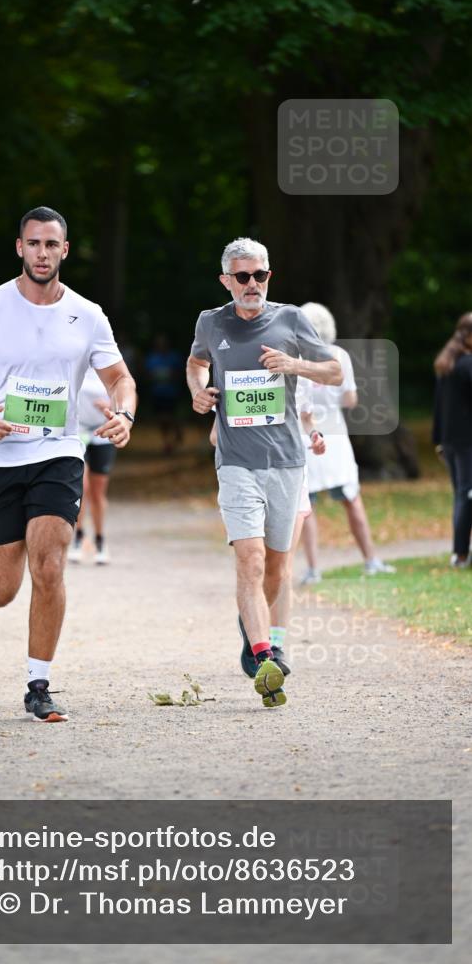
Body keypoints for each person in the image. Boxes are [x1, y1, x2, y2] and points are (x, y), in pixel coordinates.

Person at [0, 206, 137, 722]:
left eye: (52, 244)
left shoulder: (88, 314)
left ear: (64, 250)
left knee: (49, 564)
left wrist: (125, 412)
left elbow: (120, 377)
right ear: (19, 248)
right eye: (34, 243)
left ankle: (38, 683)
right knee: (3, 591)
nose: (42, 253)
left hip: (59, 451)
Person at [187, 237, 342, 708]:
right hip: (236, 461)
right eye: (242, 276)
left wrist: (293, 363)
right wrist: (198, 390)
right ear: (226, 280)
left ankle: (259, 632)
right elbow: (196, 363)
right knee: (250, 560)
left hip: (287, 463)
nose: (252, 284)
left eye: (260, 275)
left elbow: (334, 372)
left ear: (269, 276)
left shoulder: (291, 318)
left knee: (276, 567)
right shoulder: (211, 322)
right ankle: (263, 654)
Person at [212, 384, 327, 679]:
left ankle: (273, 642)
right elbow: (215, 434)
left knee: (282, 566)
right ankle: (260, 639)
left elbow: (307, 419)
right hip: (248, 473)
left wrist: (314, 436)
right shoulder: (242, 374)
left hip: (293, 476)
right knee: (253, 562)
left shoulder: (299, 375)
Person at [296, 303, 396, 584]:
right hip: (335, 437)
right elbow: (351, 399)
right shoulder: (338, 356)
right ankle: (370, 559)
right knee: (352, 499)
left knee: (307, 506)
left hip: (307, 436)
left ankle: (313, 569)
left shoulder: (296, 359)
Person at [433, 311, 472, 568]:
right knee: (467, 495)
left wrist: (438, 439)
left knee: (462, 494)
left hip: (450, 441)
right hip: (467, 441)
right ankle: (460, 554)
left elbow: (439, 407)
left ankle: (459, 552)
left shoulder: (447, 362)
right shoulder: (467, 365)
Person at [69, 367, 117, 565]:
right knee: (80, 488)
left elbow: (129, 394)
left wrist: (112, 407)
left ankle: (100, 539)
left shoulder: (108, 362)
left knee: (97, 493)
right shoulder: (74, 360)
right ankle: (78, 538)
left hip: (103, 433)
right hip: (77, 431)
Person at [145, 333, 184, 454]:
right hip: (157, 393)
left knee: (168, 417)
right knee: (161, 420)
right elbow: (147, 375)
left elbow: (179, 373)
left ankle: (177, 430)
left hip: (171, 393)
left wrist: (171, 376)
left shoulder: (174, 357)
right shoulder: (152, 358)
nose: (161, 346)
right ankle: (167, 442)